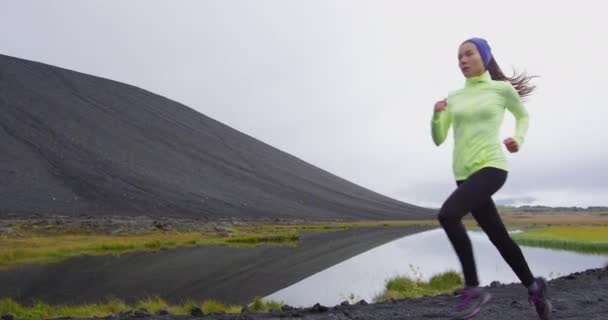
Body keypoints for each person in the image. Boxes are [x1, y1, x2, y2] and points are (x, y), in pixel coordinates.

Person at [430, 37, 552, 320]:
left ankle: (474, 288)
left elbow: (523, 116)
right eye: (459, 56)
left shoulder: (501, 89)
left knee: (448, 215)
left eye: (468, 54)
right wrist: (436, 116)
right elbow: (438, 139)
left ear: (483, 57)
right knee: (499, 238)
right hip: (464, 176)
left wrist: (518, 139)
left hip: (492, 168)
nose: (462, 60)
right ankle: (535, 289)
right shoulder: (453, 98)